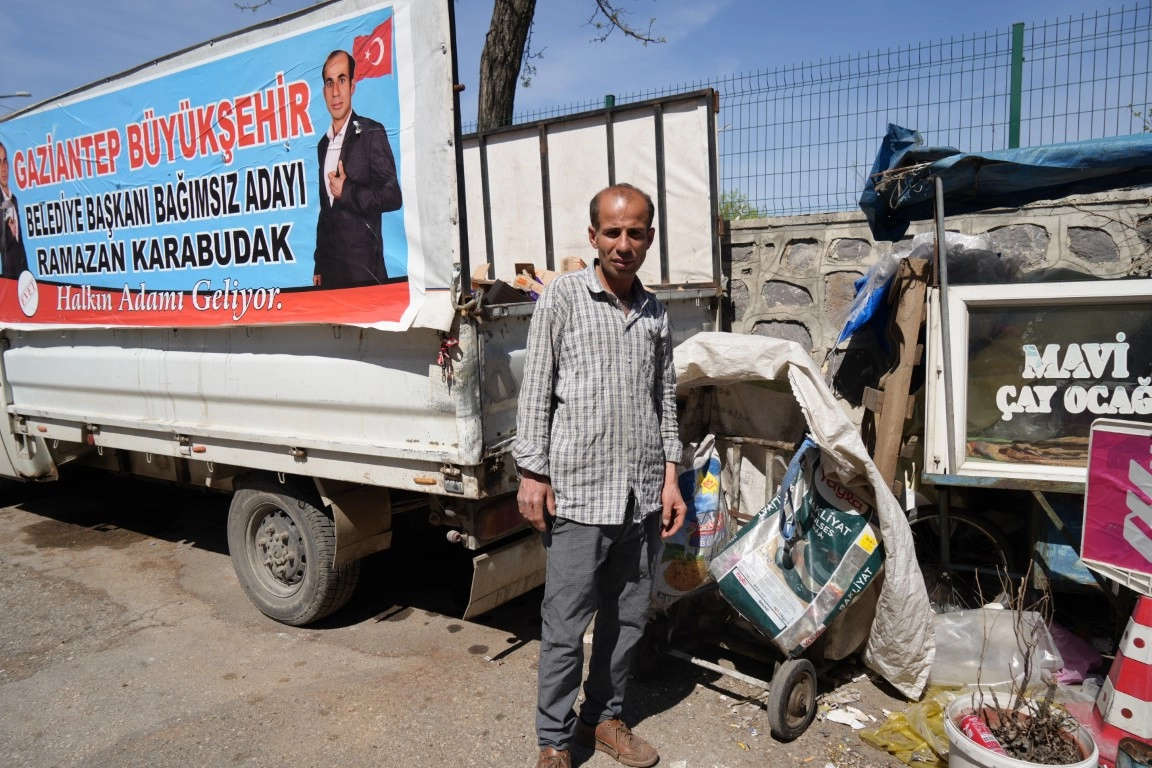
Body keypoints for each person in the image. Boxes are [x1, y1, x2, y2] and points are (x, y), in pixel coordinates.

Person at [514, 183, 687, 768]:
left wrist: (670, 476)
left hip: (639, 497)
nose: (623, 243)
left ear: (650, 239)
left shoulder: (656, 312)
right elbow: (536, 388)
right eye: (611, 232)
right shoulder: (563, 297)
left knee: (628, 618)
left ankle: (603, 718)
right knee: (565, 625)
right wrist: (532, 472)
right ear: (593, 237)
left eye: (635, 232)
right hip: (579, 494)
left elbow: (664, 397)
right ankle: (554, 741)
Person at [313, 49, 402, 288]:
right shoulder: (323, 145)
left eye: (342, 80)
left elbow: (393, 196)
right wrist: (319, 265)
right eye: (329, 83)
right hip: (331, 276)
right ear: (323, 92)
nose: (335, 92)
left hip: (364, 274)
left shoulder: (371, 132)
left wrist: (348, 191)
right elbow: (326, 212)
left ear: (352, 86)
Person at [0, 142, 28, 280]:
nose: (3, 168)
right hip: (7, 280)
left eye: (5, 161)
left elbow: (20, 244)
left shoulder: (14, 200)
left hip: (22, 277)